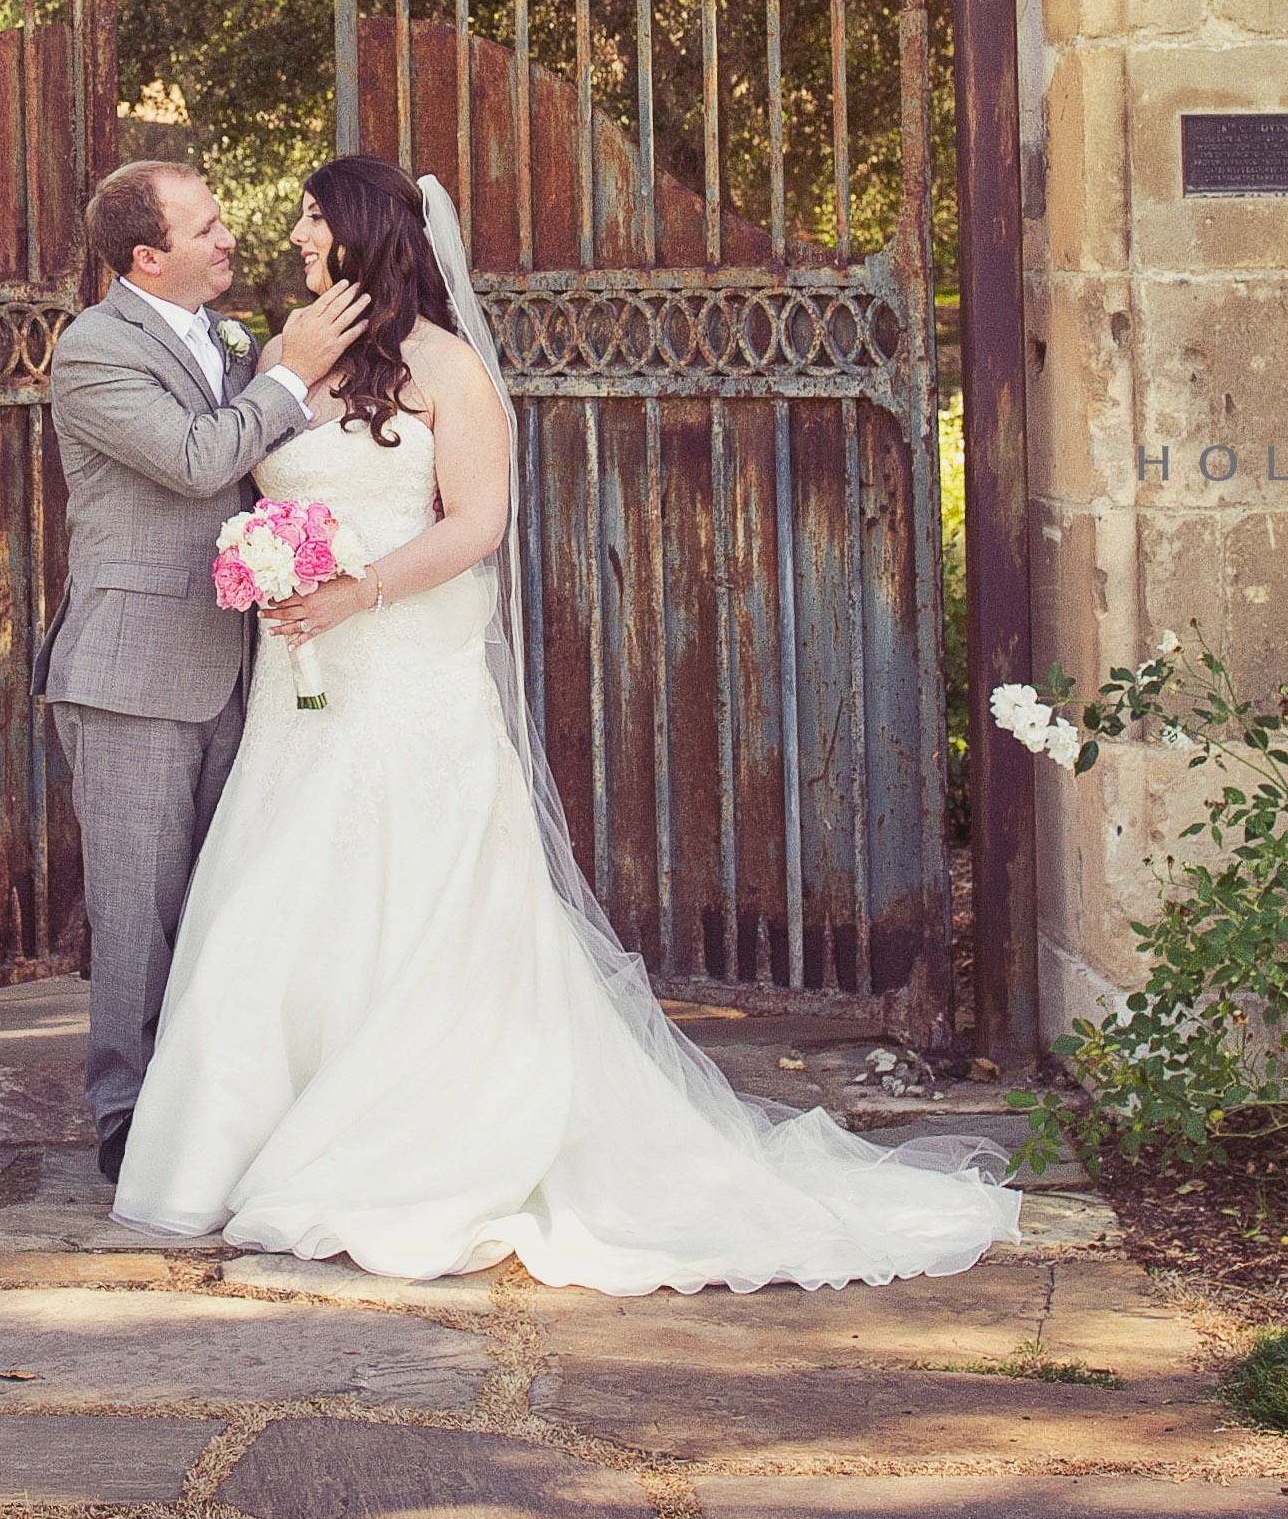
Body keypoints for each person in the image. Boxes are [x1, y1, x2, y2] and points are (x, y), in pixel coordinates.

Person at [109, 153, 1023, 1293]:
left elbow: (478, 526)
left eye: (308, 217)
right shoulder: (286, 359)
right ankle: (243, 1142)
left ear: (361, 234)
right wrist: (271, 567)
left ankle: (417, 1145)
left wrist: (353, 589)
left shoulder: (449, 370)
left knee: (428, 901)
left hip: (411, 673)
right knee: (275, 895)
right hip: (305, 695)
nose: (292, 234)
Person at [39, 159, 376, 1183]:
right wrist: (288, 373)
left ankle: (215, 1099)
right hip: (131, 667)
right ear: (148, 257)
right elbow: (195, 459)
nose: (232, 236)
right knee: (135, 908)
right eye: (208, 226)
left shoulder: (225, 338)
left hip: (242, 665)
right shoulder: (93, 352)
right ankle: (126, 1118)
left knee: (228, 902)